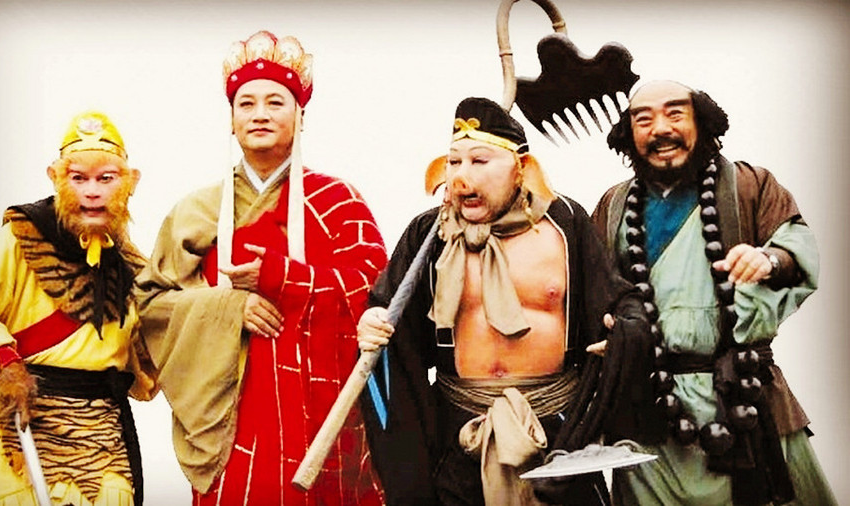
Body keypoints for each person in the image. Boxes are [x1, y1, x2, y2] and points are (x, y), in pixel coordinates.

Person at [357, 97, 650, 505]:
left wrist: (626, 329)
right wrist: (373, 321)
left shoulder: (565, 223)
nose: (462, 176)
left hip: (555, 432)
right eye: (454, 162)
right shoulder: (429, 235)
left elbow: (614, 300)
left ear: (521, 168)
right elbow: (391, 316)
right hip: (459, 431)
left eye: (479, 161)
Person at [135, 30, 386, 505]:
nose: (260, 114)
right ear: (231, 121)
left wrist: (282, 278)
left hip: (323, 414)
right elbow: (150, 305)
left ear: (300, 116)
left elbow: (373, 291)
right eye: (246, 104)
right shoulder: (196, 211)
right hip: (234, 417)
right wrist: (228, 309)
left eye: (276, 102)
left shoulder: (337, 201)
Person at [593, 79, 837, 505]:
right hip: (651, 406)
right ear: (629, 134)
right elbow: (598, 287)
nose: (660, 129)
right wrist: (609, 327)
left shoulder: (750, 186)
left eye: (675, 113)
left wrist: (768, 260)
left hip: (742, 395)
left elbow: (797, 248)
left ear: (702, 122)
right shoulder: (614, 206)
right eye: (643, 119)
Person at [0, 110, 155, 505]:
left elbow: (148, 368)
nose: (92, 192)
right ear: (56, 178)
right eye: (78, 178)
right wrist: (4, 363)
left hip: (101, 441)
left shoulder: (134, 268)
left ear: (130, 183)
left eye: (106, 179)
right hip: (19, 426)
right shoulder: (20, 238)